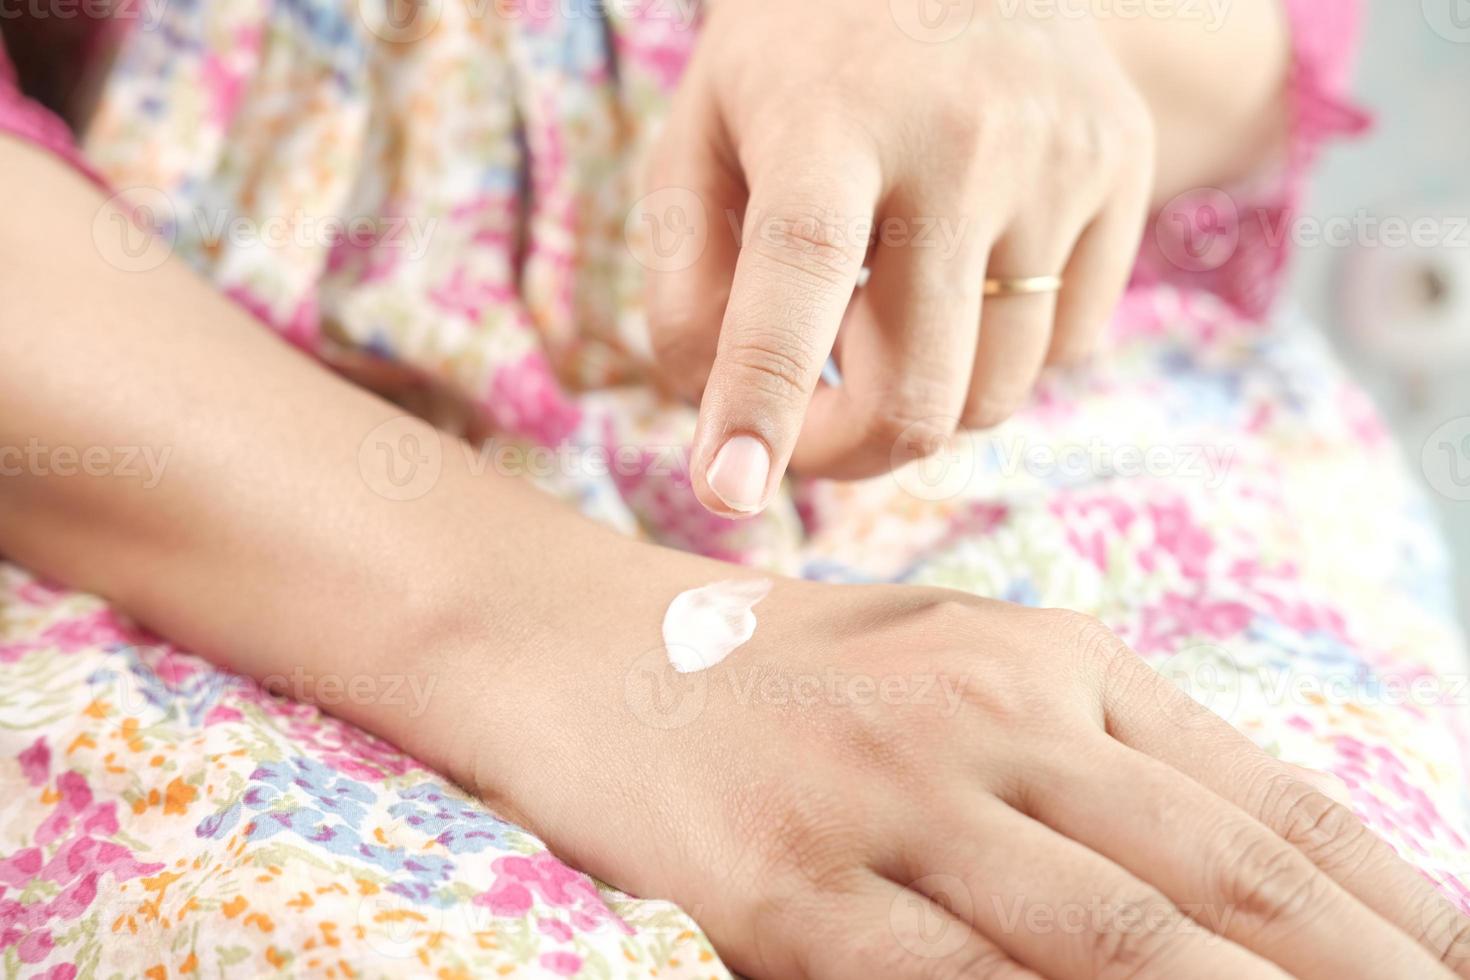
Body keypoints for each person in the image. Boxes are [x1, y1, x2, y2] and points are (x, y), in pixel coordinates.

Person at [1, 0, 1467, 977]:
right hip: (194, 451)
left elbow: (1263, 49)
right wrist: (564, 638)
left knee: (1269, 895)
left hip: (969, 363)